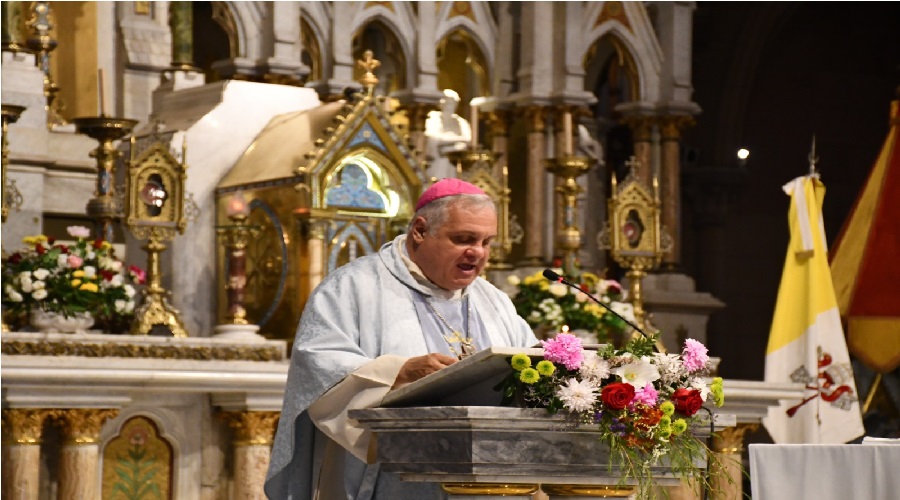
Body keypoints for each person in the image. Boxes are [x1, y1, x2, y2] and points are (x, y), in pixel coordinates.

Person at [264, 178, 538, 500]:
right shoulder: (354, 287)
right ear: (420, 231)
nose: (477, 252)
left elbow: (528, 362)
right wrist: (398, 371)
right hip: (390, 479)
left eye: (486, 242)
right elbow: (317, 364)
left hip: (491, 479)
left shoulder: (493, 300)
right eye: (463, 239)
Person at [424, 89, 472, 181]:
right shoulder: (433, 117)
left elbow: (468, 139)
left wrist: (447, 139)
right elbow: (433, 137)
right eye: (448, 102)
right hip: (439, 159)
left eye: (453, 103)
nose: (450, 105)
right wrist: (457, 139)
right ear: (441, 103)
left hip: (456, 160)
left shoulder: (461, 122)